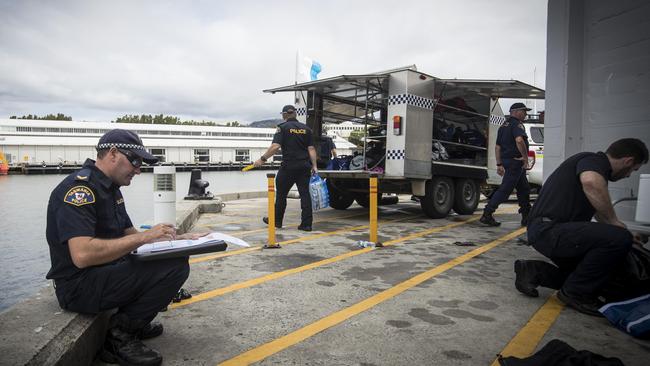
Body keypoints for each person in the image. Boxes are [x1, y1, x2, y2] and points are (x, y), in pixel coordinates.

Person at [45, 129, 202, 365]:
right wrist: (144, 237)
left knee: (174, 257)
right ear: (113, 153)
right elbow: (82, 255)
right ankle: (119, 337)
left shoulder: (110, 189)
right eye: (136, 161)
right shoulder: (80, 191)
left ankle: (133, 322)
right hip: (79, 285)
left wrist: (183, 239)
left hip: (103, 273)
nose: (139, 170)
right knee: (174, 267)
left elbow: (131, 235)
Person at [514, 138, 648, 316]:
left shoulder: (592, 165)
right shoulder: (593, 161)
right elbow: (591, 182)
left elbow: (601, 215)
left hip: (547, 232)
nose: (629, 175)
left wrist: (626, 234)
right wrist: (617, 226)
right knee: (619, 239)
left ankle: (534, 272)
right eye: (633, 170)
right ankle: (574, 294)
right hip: (550, 231)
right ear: (628, 161)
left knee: (596, 277)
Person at [254, 105, 318, 231]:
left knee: (281, 194)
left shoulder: (282, 128)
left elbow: (275, 146)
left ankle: (277, 221)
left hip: (289, 166)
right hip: (304, 166)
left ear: (284, 115)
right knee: (305, 195)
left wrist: (262, 159)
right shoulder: (307, 129)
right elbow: (311, 149)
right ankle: (306, 224)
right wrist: (314, 166)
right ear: (295, 114)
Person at [480, 102, 534, 227]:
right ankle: (487, 214)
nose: (525, 114)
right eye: (524, 111)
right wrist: (525, 158)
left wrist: (499, 164)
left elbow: (497, 147)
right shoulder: (517, 125)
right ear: (516, 112)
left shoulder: (503, 126)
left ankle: (526, 216)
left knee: (524, 188)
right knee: (505, 189)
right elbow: (519, 140)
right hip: (516, 162)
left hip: (508, 162)